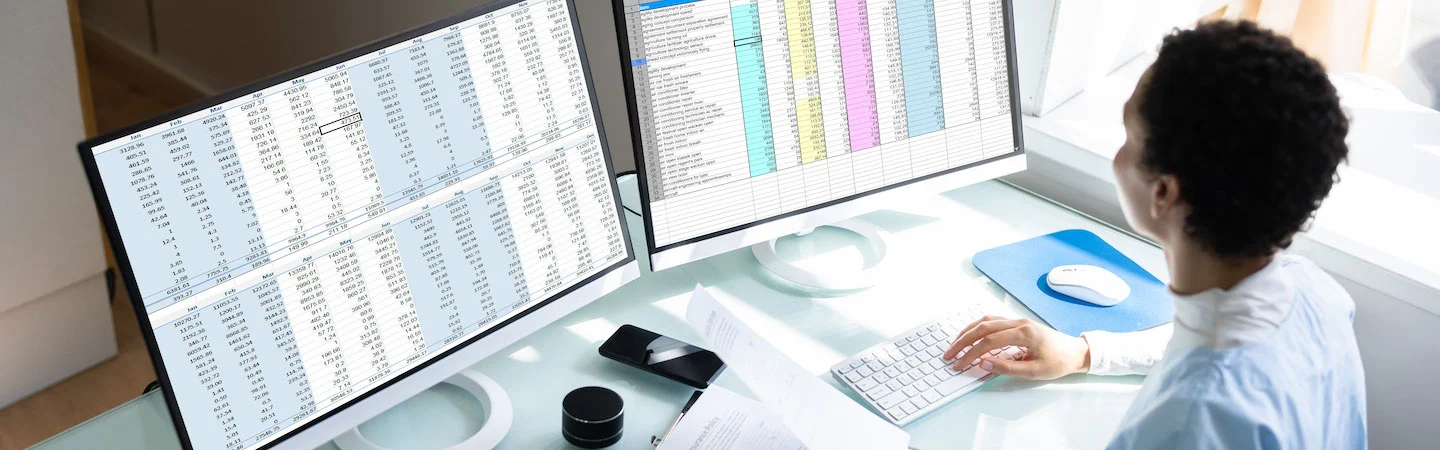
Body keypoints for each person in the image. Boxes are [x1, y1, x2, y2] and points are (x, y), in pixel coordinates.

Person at [943, 20, 1366, 449]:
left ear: (1163, 192)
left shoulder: (1188, 423)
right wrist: (1086, 353)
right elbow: (1202, 337)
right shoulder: (1315, 292)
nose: (1118, 154)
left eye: (1128, 135)